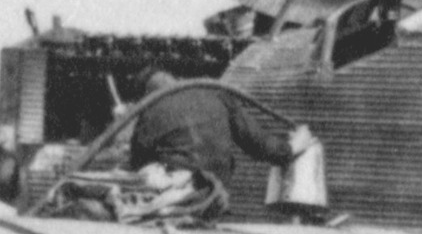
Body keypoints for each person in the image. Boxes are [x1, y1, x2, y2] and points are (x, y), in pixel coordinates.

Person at [122, 69, 313, 221]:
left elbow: (138, 166)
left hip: (177, 200)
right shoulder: (217, 95)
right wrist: (292, 147)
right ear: (175, 79)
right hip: (216, 197)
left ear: (145, 95)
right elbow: (258, 144)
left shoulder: (151, 109)